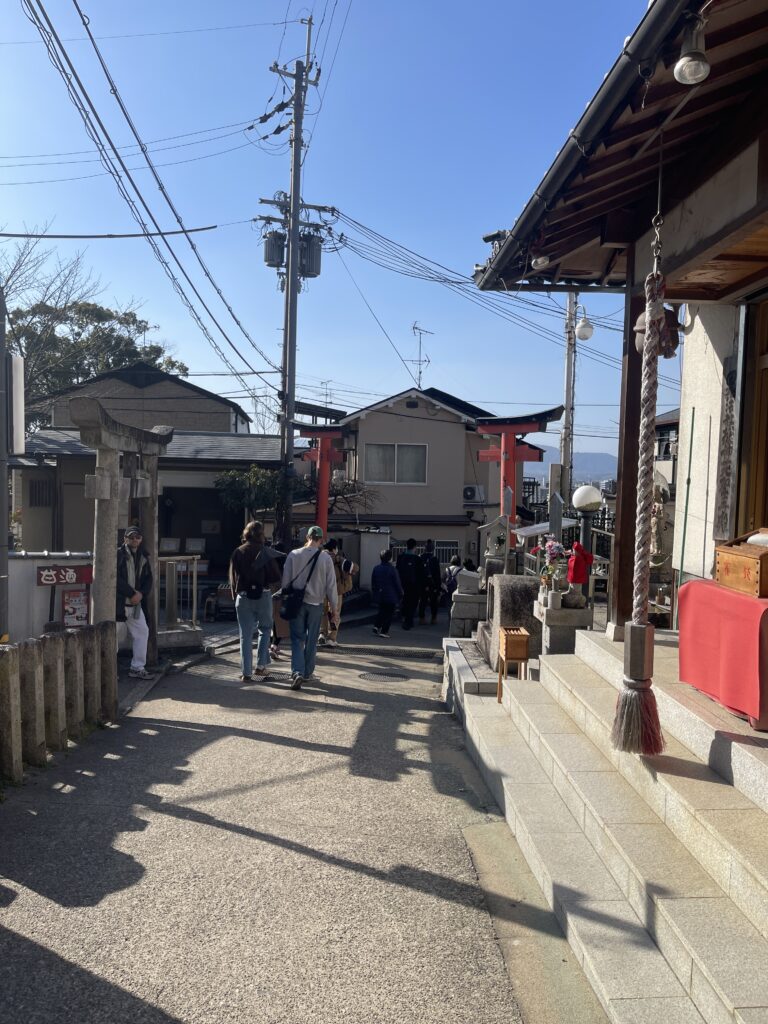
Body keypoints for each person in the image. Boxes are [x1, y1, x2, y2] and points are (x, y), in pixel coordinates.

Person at [282, 525, 338, 690]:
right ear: (321, 540)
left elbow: (285, 583)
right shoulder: (325, 558)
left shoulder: (293, 554)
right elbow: (331, 586)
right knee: (312, 640)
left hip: (296, 603)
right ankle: (307, 673)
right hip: (316, 604)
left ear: (307, 537)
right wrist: (334, 609)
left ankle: (297, 672)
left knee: (297, 638)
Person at [229, 521, 283, 683]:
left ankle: (246, 673)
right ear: (261, 534)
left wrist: (235, 595)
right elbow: (275, 576)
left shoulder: (238, 551)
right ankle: (261, 666)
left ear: (246, 533)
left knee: (245, 636)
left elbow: (232, 577)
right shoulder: (265, 551)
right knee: (265, 629)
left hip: (243, 597)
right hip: (263, 595)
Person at [116, 525, 153, 680]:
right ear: (125, 538)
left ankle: (137, 668)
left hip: (135, 604)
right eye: (131, 537)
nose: (134, 539)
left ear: (141, 539)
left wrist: (141, 594)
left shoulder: (144, 556)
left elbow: (148, 579)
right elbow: (114, 578)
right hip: (118, 603)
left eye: (137, 537)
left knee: (142, 632)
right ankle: (110, 670)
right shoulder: (118, 554)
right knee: (114, 637)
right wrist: (133, 594)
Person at [320, 538, 358, 648]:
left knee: (323, 613)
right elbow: (354, 568)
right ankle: (331, 638)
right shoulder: (338, 559)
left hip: (321, 591)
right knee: (334, 614)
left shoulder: (319, 557)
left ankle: (322, 634)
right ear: (334, 548)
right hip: (336, 591)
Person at [371, 548, 403, 638]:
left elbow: (373, 582)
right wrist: (401, 593)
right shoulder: (392, 569)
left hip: (380, 594)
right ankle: (384, 631)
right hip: (391, 595)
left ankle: (376, 626)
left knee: (381, 610)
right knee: (389, 613)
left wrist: (375, 592)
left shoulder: (376, 568)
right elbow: (397, 583)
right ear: (390, 558)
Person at [396, 538, 424, 631]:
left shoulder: (400, 557)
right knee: (412, 603)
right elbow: (421, 574)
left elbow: (397, 570)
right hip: (414, 585)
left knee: (404, 601)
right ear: (415, 547)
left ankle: (404, 618)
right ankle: (409, 621)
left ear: (406, 546)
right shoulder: (418, 559)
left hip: (403, 584)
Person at [418, 539, 441, 625]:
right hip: (432, 583)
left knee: (422, 601)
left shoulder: (420, 557)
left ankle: (422, 618)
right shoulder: (435, 559)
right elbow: (437, 574)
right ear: (433, 549)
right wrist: (438, 586)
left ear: (425, 548)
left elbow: (418, 572)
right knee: (433, 601)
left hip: (422, 583)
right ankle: (433, 618)